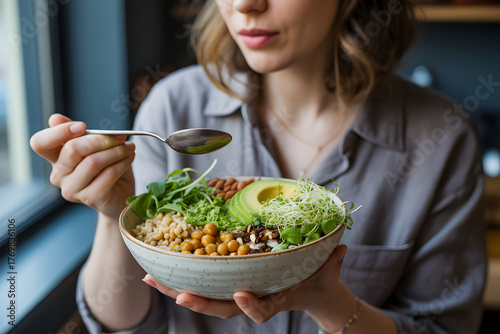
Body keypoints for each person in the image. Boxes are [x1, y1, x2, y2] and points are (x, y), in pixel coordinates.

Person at [30, 0, 487, 333]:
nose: (246, 5)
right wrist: (115, 215)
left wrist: (329, 303)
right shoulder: (173, 107)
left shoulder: (439, 137)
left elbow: (443, 329)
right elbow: (122, 325)